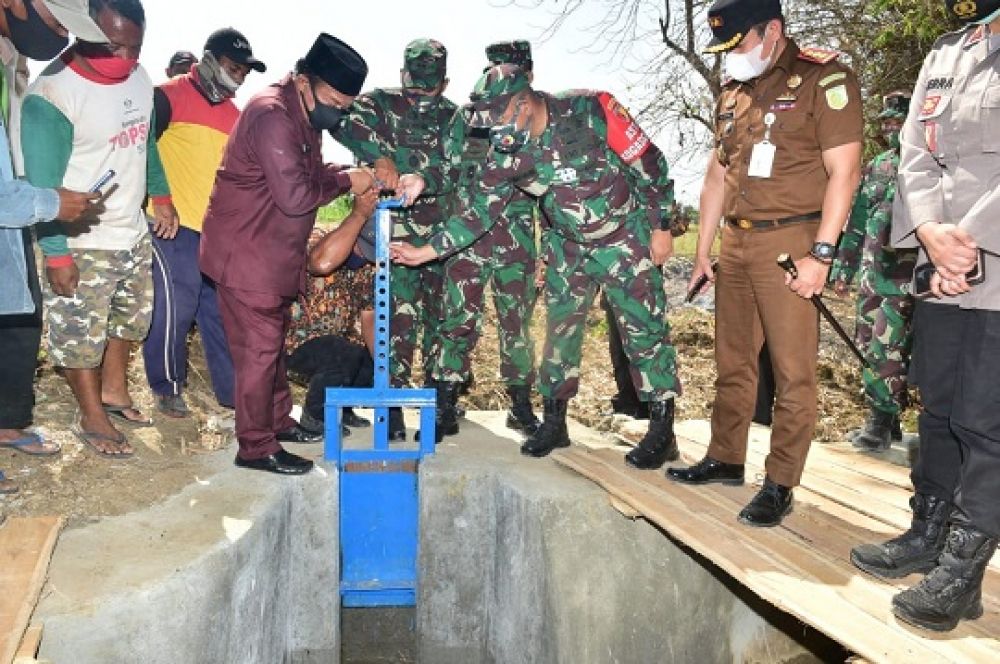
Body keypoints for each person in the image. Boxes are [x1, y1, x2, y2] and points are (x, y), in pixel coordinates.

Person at [392, 64, 683, 463]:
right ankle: (555, 422)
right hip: (568, 245)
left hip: (623, 238)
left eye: (500, 116)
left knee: (644, 332)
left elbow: (650, 162)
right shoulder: (506, 153)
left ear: (524, 102)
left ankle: (662, 429)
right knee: (558, 337)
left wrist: (661, 226)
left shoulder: (591, 108)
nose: (495, 130)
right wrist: (426, 251)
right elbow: (479, 212)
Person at [667, 0, 863, 527]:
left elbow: (845, 172)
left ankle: (779, 482)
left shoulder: (824, 79)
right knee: (732, 362)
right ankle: (726, 457)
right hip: (736, 245)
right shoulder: (733, 92)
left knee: (793, 372)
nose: (732, 57)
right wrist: (703, 253)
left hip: (793, 244)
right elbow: (715, 179)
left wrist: (822, 254)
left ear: (773, 29)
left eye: (740, 44)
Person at [200, 33, 419, 476]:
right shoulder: (272, 115)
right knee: (258, 354)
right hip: (246, 255)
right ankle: (256, 447)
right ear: (304, 80)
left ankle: (278, 422)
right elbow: (298, 196)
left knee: (272, 347)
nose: (338, 111)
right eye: (334, 100)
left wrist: (348, 171)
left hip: (271, 255)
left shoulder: (302, 117)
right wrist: (349, 182)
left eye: (345, 105)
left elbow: (311, 172)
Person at [850, 1, 1000, 632]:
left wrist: (966, 238)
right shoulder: (947, 51)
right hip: (942, 259)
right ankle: (928, 535)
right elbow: (915, 152)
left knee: (987, 419)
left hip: (990, 253)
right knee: (937, 404)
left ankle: (964, 574)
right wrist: (933, 233)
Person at [22, 0, 179, 459]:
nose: (127, 59)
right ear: (81, 30)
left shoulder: (139, 76)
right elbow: (41, 184)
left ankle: (114, 393)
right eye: (114, 45)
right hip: (80, 241)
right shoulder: (51, 95)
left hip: (130, 231)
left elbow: (144, 140)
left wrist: (162, 195)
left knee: (131, 319)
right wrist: (56, 253)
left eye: (136, 46)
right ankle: (90, 414)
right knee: (78, 334)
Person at [0, 0, 105, 493]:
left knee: (17, 315)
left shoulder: (8, 58)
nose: (63, 36)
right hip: (18, 202)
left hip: (15, 208)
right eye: (59, 21)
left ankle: (6, 422)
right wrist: (50, 203)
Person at [330, 38, 457, 442]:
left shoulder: (456, 118)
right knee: (394, 324)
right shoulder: (378, 104)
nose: (420, 96)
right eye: (414, 87)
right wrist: (380, 155)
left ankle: (440, 408)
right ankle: (394, 409)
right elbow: (343, 123)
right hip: (393, 236)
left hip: (442, 239)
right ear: (402, 76)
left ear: (445, 82)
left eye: (429, 89)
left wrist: (425, 177)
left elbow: (465, 166)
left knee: (445, 321)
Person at [142, 27, 265, 418]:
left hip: (218, 235)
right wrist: (160, 200)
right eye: (233, 68)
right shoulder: (166, 95)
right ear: (209, 60)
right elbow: (141, 150)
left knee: (221, 315)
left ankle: (233, 396)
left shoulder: (237, 117)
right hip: (171, 226)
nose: (239, 77)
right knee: (175, 308)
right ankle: (167, 387)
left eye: (245, 72)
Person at [428, 39, 543, 438]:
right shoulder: (467, 118)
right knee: (458, 321)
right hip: (469, 239)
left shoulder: (536, 117)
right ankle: (445, 402)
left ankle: (521, 406)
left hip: (517, 242)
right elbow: (449, 168)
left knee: (518, 326)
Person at [830, 91, 917, 451]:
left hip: (905, 278)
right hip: (871, 274)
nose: (891, 128)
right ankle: (888, 417)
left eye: (898, 121)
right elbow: (857, 221)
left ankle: (880, 419)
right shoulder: (877, 166)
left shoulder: (925, 166)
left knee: (889, 345)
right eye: (887, 122)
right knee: (867, 344)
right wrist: (842, 267)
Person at [286, 192, 379, 436]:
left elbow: (369, 316)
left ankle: (343, 408)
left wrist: (382, 366)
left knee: (368, 357)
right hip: (298, 344)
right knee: (339, 352)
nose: (363, 256)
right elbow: (319, 263)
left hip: (338, 342)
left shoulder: (366, 270)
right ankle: (314, 417)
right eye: (361, 248)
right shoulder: (317, 245)